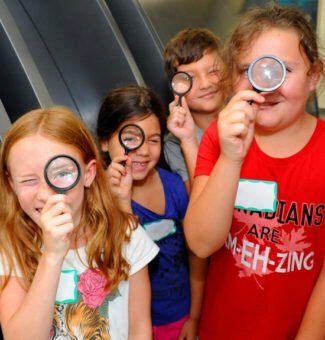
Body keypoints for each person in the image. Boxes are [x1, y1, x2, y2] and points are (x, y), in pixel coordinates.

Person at [184, 3, 325, 339]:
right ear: (233, 79)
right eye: (250, 69)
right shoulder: (219, 140)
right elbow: (201, 243)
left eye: (283, 70)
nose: (266, 84)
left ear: (313, 77)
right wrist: (231, 158)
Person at [0, 106, 159, 339]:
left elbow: (140, 330)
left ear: (88, 173)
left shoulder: (126, 235)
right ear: (12, 183)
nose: (46, 193)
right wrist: (52, 257)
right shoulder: (11, 246)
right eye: (28, 180)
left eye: (62, 173)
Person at [97, 84, 207, 340]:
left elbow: (197, 257)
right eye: (131, 138)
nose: (144, 150)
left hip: (177, 318)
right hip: (123, 324)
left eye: (154, 140)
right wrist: (116, 202)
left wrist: (195, 316)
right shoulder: (95, 199)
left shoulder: (174, 188)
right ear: (105, 141)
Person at [163, 28, 225, 192]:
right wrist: (188, 140)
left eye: (213, 71)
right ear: (176, 87)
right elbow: (200, 205)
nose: (205, 84)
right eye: (189, 78)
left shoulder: (252, 113)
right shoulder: (175, 143)